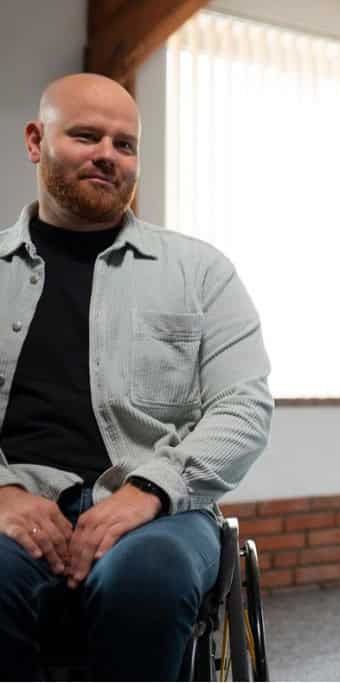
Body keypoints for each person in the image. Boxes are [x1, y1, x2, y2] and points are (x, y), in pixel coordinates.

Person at [0, 73, 272, 680]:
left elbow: (243, 407)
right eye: (87, 135)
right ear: (36, 140)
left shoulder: (202, 272)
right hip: (11, 501)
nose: (108, 154)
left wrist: (146, 492)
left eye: (125, 144)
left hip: (163, 515)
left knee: (146, 582)